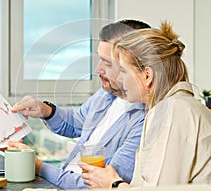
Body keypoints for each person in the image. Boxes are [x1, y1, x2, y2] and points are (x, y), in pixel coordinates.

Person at [79, 21, 211, 190]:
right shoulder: (171, 107)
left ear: (147, 76)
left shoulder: (173, 113)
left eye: (123, 71)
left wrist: (113, 184)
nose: (119, 79)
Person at [9, 19, 151, 189]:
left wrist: (38, 167)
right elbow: (77, 122)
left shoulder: (145, 119)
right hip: (59, 181)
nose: (98, 69)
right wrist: (46, 110)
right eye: (100, 60)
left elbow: (97, 184)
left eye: (107, 63)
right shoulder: (108, 93)